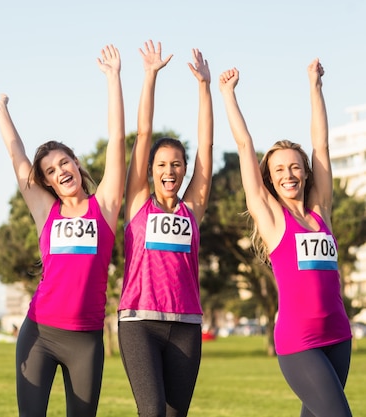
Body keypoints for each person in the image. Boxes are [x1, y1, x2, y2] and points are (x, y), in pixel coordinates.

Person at [0, 44, 125, 416]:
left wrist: (113, 78)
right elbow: (18, 157)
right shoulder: (46, 212)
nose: (60, 172)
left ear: (76, 162)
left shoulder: (105, 206)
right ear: (48, 183)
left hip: (86, 339)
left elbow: (117, 141)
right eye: (50, 171)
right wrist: (3, 110)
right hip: (39, 333)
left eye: (63, 162)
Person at [219, 61, 353, 416]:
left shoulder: (320, 211)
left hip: (339, 335)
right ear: (270, 178)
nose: (288, 174)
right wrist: (229, 95)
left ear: (306, 173)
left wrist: (315, 86)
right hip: (300, 342)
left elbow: (320, 146)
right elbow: (245, 145)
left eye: (295, 166)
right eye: (278, 169)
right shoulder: (273, 218)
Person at [118, 40, 213, 417]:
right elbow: (143, 134)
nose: (169, 171)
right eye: (161, 165)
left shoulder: (192, 209)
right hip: (140, 322)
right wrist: (150, 77)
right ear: (151, 171)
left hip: (187, 324)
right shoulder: (138, 203)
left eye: (176, 164)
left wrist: (204, 88)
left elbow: (205, 147)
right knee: (153, 410)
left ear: (184, 170)